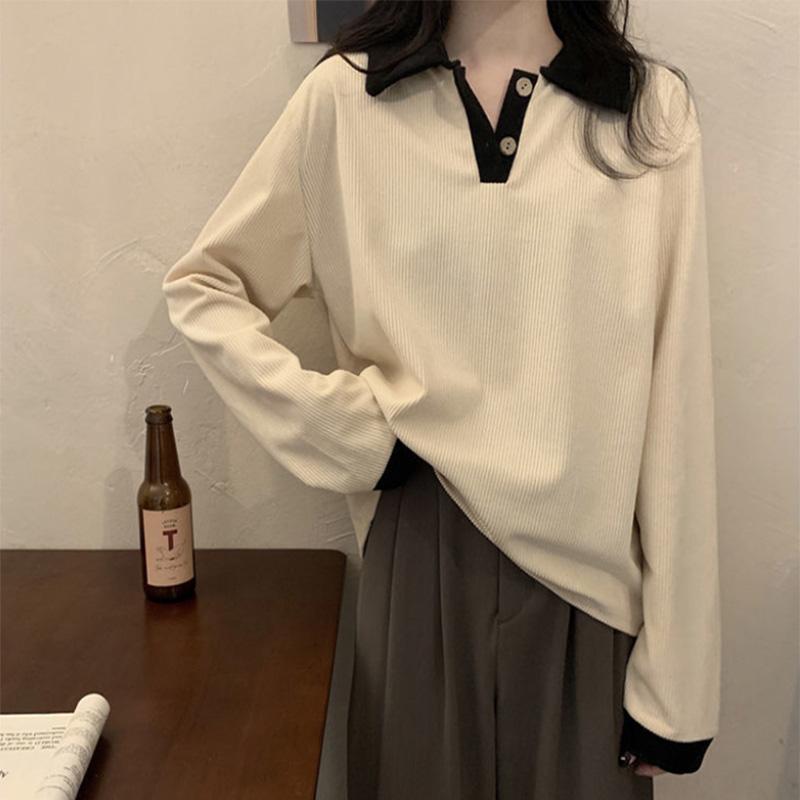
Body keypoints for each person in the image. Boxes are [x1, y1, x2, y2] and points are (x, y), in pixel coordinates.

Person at [161, 1, 721, 797]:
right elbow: (206, 287)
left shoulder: (646, 111)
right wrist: (346, 430)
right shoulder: (347, 100)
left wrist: (680, 678)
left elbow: (678, 394)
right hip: (422, 547)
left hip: (592, 588)